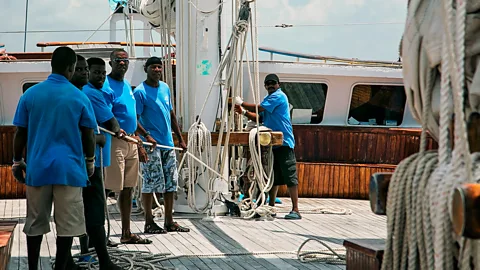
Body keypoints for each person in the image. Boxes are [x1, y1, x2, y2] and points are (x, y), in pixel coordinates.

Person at [11, 46, 97, 270]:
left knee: (35, 224)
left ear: (51, 65)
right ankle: (61, 267)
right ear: (70, 68)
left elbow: (20, 132)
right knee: (67, 225)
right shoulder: (79, 97)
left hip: (38, 169)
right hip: (69, 170)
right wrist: (90, 162)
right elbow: (89, 133)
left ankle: (31, 267)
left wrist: (17, 161)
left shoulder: (30, 94)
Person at [133, 57, 189, 233]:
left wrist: (180, 138)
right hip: (151, 146)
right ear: (146, 69)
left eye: (159, 67)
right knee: (150, 184)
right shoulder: (140, 92)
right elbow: (134, 120)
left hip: (168, 144)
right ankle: (149, 222)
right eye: (153, 67)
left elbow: (171, 114)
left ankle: (169, 221)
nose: (157, 70)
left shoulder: (165, 88)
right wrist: (146, 137)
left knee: (171, 183)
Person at [104, 48, 154, 244]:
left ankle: (126, 232)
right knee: (108, 188)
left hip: (132, 142)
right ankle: (101, 234)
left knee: (128, 189)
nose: (122, 63)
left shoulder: (126, 85)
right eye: (118, 60)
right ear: (111, 62)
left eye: (125, 60)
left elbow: (132, 116)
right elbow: (106, 116)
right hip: (115, 142)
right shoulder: (106, 85)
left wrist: (141, 138)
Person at [234, 73, 301, 220]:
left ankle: (296, 209)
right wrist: (244, 112)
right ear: (265, 86)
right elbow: (259, 118)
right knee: (273, 176)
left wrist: (242, 103)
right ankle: (271, 206)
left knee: (290, 175)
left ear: (278, 84)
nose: (271, 85)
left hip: (284, 142)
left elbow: (259, 109)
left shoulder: (279, 96)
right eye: (268, 83)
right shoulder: (268, 99)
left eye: (273, 83)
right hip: (272, 143)